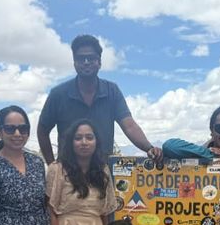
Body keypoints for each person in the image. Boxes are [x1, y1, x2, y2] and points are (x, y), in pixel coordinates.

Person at [37, 34, 162, 163]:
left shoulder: (111, 91)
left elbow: (129, 126)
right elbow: (42, 130)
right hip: (68, 173)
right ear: (74, 62)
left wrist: (149, 148)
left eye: (91, 58)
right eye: (81, 58)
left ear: (99, 62)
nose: (86, 62)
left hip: (103, 173)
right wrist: (52, 164)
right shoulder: (58, 94)